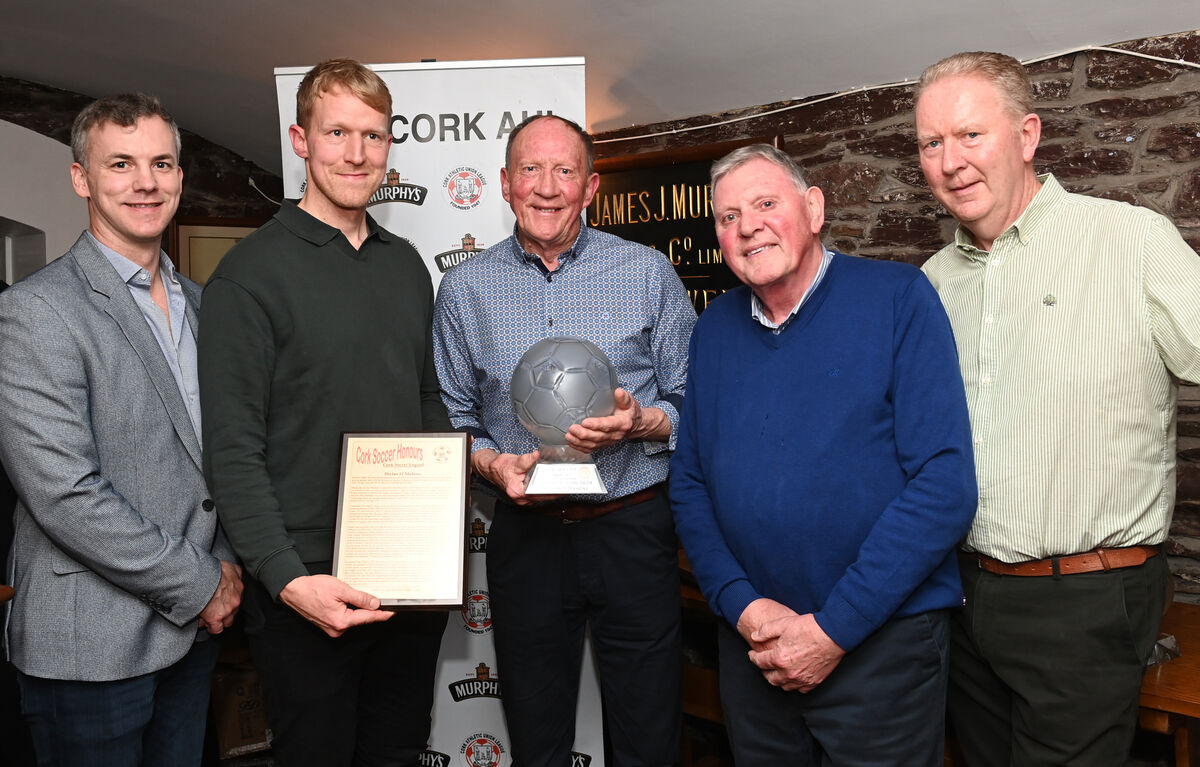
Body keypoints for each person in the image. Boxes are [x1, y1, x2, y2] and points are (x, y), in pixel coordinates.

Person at [915, 51, 1200, 767]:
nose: (950, 161)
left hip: (1088, 601)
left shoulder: (1131, 242)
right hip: (964, 596)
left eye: (970, 135)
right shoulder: (932, 282)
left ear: (1027, 135)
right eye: (931, 143)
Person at [670, 144, 977, 766]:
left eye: (764, 203)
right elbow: (691, 485)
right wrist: (741, 605)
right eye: (727, 217)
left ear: (813, 209)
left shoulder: (898, 299)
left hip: (881, 647)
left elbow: (944, 484)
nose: (747, 225)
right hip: (753, 645)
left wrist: (833, 628)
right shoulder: (716, 328)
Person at [198, 58, 451, 766]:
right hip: (306, 582)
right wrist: (285, 578)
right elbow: (232, 448)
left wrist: (436, 531)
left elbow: (427, 399)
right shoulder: (248, 276)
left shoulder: (408, 266)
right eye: (336, 131)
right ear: (300, 139)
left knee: (397, 752)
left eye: (373, 135)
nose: (356, 153)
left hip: (406, 574)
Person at [433, 114, 696, 767]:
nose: (545, 187)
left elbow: (696, 401)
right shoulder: (465, 290)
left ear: (591, 186)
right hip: (528, 536)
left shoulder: (646, 272)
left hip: (632, 527)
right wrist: (492, 464)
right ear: (503, 182)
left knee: (649, 727)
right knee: (536, 731)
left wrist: (644, 421)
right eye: (529, 169)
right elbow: (452, 416)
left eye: (564, 171)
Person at [0, 93, 242, 766]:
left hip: (191, 636)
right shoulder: (35, 311)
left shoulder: (201, 303)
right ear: (82, 177)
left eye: (162, 163)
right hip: (91, 649)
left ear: (180, 177)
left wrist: (226, 564)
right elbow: (65, 495)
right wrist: (201, 583)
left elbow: (215, 457)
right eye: (122, 164)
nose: (146, 182)